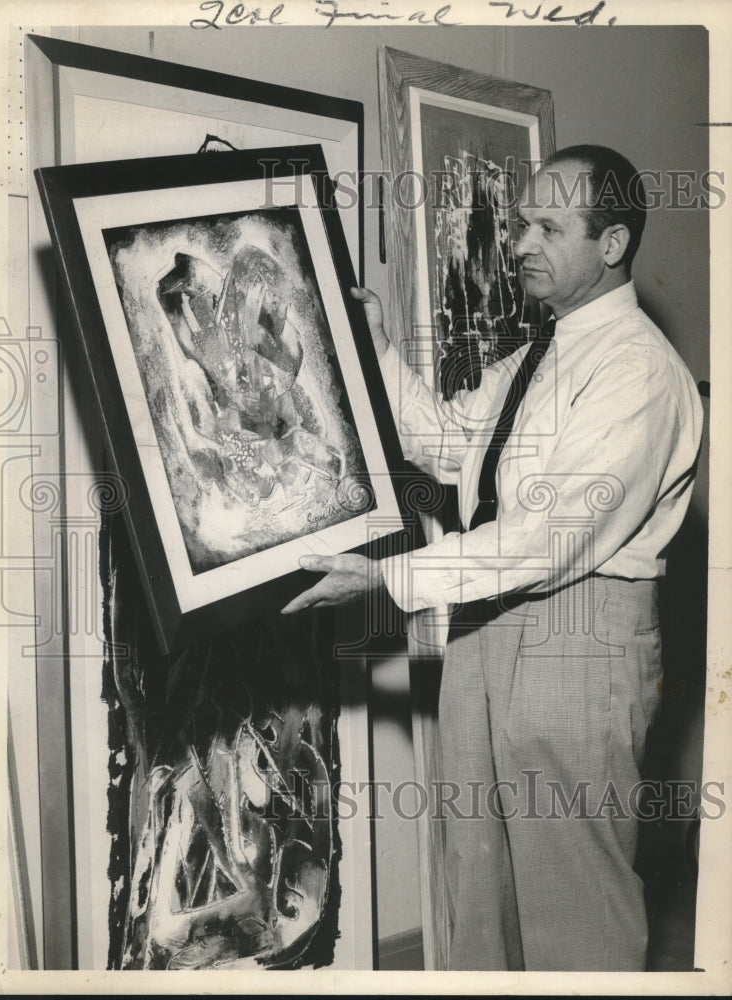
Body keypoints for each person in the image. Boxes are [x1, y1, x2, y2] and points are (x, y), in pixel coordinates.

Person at [281, 145, 703, 971]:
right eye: (518, 225)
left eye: (548, 226)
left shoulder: (642, 372)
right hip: (485, 626)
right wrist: (376, 347)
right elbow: (446, 440)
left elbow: (550, 539)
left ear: (612, 244)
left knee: (572, 895)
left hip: (579, 637)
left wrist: (391, 578)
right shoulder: (538, 355)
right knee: (476, 878)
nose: (519, 244)